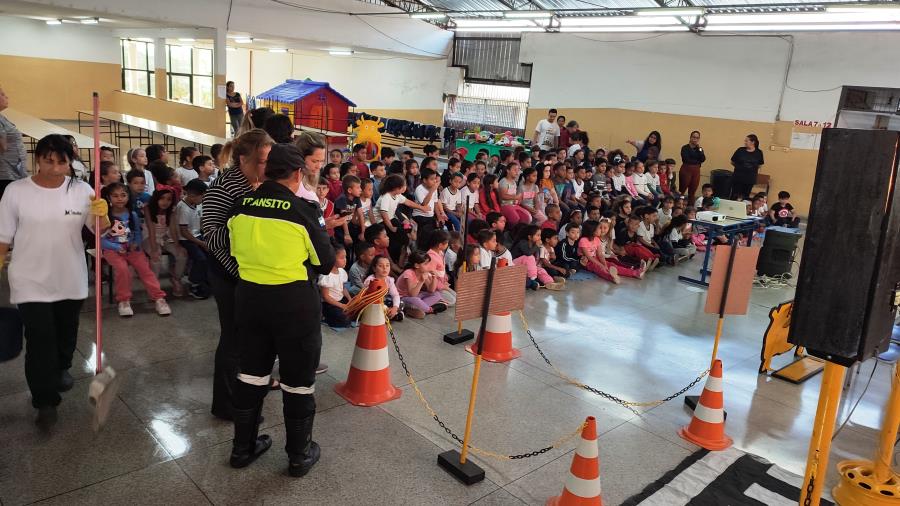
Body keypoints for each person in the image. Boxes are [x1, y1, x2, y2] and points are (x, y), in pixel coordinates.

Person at [226, 142, 336, 477]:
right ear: (298, 173)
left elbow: (233, 250)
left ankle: (242, 449)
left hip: (249, 301)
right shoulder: (301, 209)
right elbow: (326, 263)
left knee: (250, 374)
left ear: (266, 170)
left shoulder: (240, 205)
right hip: (293, 307)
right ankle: (299, 455)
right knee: (298, 382)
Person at [0, 134, 109, 427]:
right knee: (39, 339)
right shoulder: (16, 191)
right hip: (29, 278)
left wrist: (103, 215)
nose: (56, 168)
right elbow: (3, 238)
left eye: (62, 161)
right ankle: (44, 400)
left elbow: (99, 231)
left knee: (65, 331)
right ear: (38, 158)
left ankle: (62, 367)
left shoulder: (81, 189)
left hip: (70, 275)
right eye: (49, 160)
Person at [202, 129, 275, 422]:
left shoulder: (259, 183)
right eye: (261, 161)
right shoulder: (224, 188)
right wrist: (240, 273)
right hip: (230, 274)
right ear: (242, 158)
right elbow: (213, 238)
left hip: (253, 273)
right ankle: (226, 403)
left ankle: (246, 389)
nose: (266, 168)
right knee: (233, 337)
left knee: (250, 336)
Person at [102, 183, 172, 316]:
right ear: (108, 198)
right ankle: (124, 300)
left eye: (123, 195)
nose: (120, 199)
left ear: (128, 197)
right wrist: (116, 247)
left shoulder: (132, 214)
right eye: (115, 196)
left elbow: (138, 234)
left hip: (133, 249)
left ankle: (158, 298)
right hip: (112, 250)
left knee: (145, 270)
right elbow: (101, 239)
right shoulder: (104, 216)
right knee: (123, 269)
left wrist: (136, 243)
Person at [145, 188, 188, 297]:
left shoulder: (172, 210)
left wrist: (177, 245)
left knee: (182, 254)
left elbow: (173, 228)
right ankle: (154, 286)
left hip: (165, 237)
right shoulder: (148, 208)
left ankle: (176, 279)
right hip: (149, 238)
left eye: (169, 199)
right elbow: (151, 229)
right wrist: (154, 249)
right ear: (156, 199)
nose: (165, 202)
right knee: (156, 258)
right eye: (162, 198)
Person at [177, 179, 211, 299]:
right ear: (192, 195)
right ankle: (194, 283)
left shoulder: (195, 204)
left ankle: (205, 280)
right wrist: (201, 243)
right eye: (202, 197)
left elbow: (199, 223)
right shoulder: (183, 208)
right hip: (186, 239)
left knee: (211, 254)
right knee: (200, 259)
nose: (203, 200)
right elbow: (184, 232)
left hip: (196, 236)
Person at [396, 250, 447, 319]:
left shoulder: (423, 272)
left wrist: (435, 277)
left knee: (437, 294)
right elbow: (412, 294)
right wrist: (421, 281)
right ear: (417, 265)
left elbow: (431, 290)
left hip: (417, 296)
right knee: (416, 301)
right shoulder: (408, 273)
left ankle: (419, 308)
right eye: (426, 264)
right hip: (402, 298)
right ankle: (430, 310)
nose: (429, 266)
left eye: (429, 263)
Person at [0, 87, 27, 199]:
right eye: (2, 94)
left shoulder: (2, 117)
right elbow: (2, 146)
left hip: (13, 172)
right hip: (5, 173)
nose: (6, 97)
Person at [319, 246, 352, 328]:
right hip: (329, 304)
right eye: (342, 258)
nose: (345, 260)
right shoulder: (326, 275)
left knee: (358, 308)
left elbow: (343, 288)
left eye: (345, 257)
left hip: (341, 299)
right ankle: (326, 318)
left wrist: (350, 299)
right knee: (344, 320)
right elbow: (325, 297)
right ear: (332, 259)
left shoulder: (342, 271)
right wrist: (341, 306)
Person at [730, 134, 764, 200]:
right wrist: (741, 168)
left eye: (746, 141)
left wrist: (750, 169)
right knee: (734, 195)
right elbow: (732, 162)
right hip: (738, 177)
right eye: (745, 141)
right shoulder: (740, 150)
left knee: (745, 196)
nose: (745, 142)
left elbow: (760, 165)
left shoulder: (759, 152)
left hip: (749, 179)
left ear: (753, 142)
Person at [679, 131, 705, 203]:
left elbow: (703, 159)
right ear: (690, 137)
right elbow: (686, 159)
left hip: (696, 171)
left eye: (697, 138)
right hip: (686, 170)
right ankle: (679, 205)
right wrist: (698, 161)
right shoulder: (685, 148)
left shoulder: (699, 149)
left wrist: (699, 149)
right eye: (694, 137)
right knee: (682, 190)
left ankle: (690, 208)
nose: (695, 139)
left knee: (692, 191)